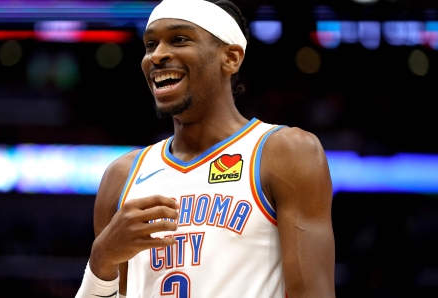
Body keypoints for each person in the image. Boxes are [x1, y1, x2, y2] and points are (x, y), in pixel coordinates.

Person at [75, 0, 335, 297]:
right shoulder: (121, 177)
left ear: (231, 58)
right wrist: (101, 261)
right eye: (150, 44)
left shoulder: (284, 153)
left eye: (179, 39)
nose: (157, 56)